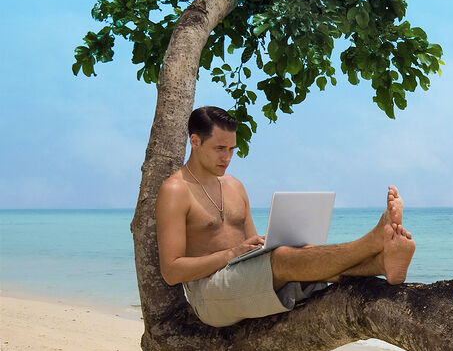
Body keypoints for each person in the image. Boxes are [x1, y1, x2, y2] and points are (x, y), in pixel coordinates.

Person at [155, 106, 416, 327]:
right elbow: (171, 271)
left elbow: (251, 247)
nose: (227, 157)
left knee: (301, 253)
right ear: (195, 141)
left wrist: (262, 245)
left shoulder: (234, 186)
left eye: (232, 149)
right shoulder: (176, 190)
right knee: (282, 259)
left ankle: (380, 265)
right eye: (220, 148)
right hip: (208, 294)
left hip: (244, 279)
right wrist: (231, 254)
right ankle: (371, 242)